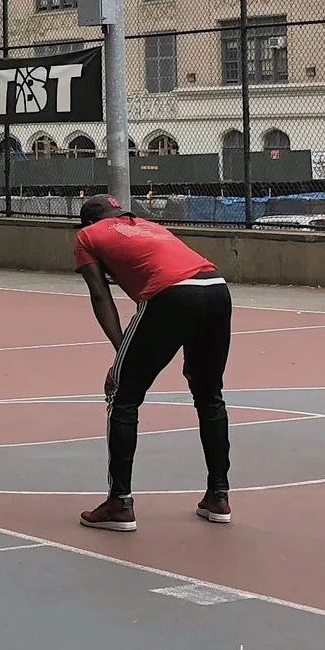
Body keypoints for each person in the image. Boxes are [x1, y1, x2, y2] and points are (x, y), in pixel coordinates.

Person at [66, 194, 232, 533]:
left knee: (123, 395)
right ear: (118, 212)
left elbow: (100, 296)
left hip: (171, 295)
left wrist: (121, 355)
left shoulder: (87, 237)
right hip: (215, 287)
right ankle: (218, 496)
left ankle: (120, 502)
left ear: (88, 221)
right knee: (209, 396)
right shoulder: (147, 225)